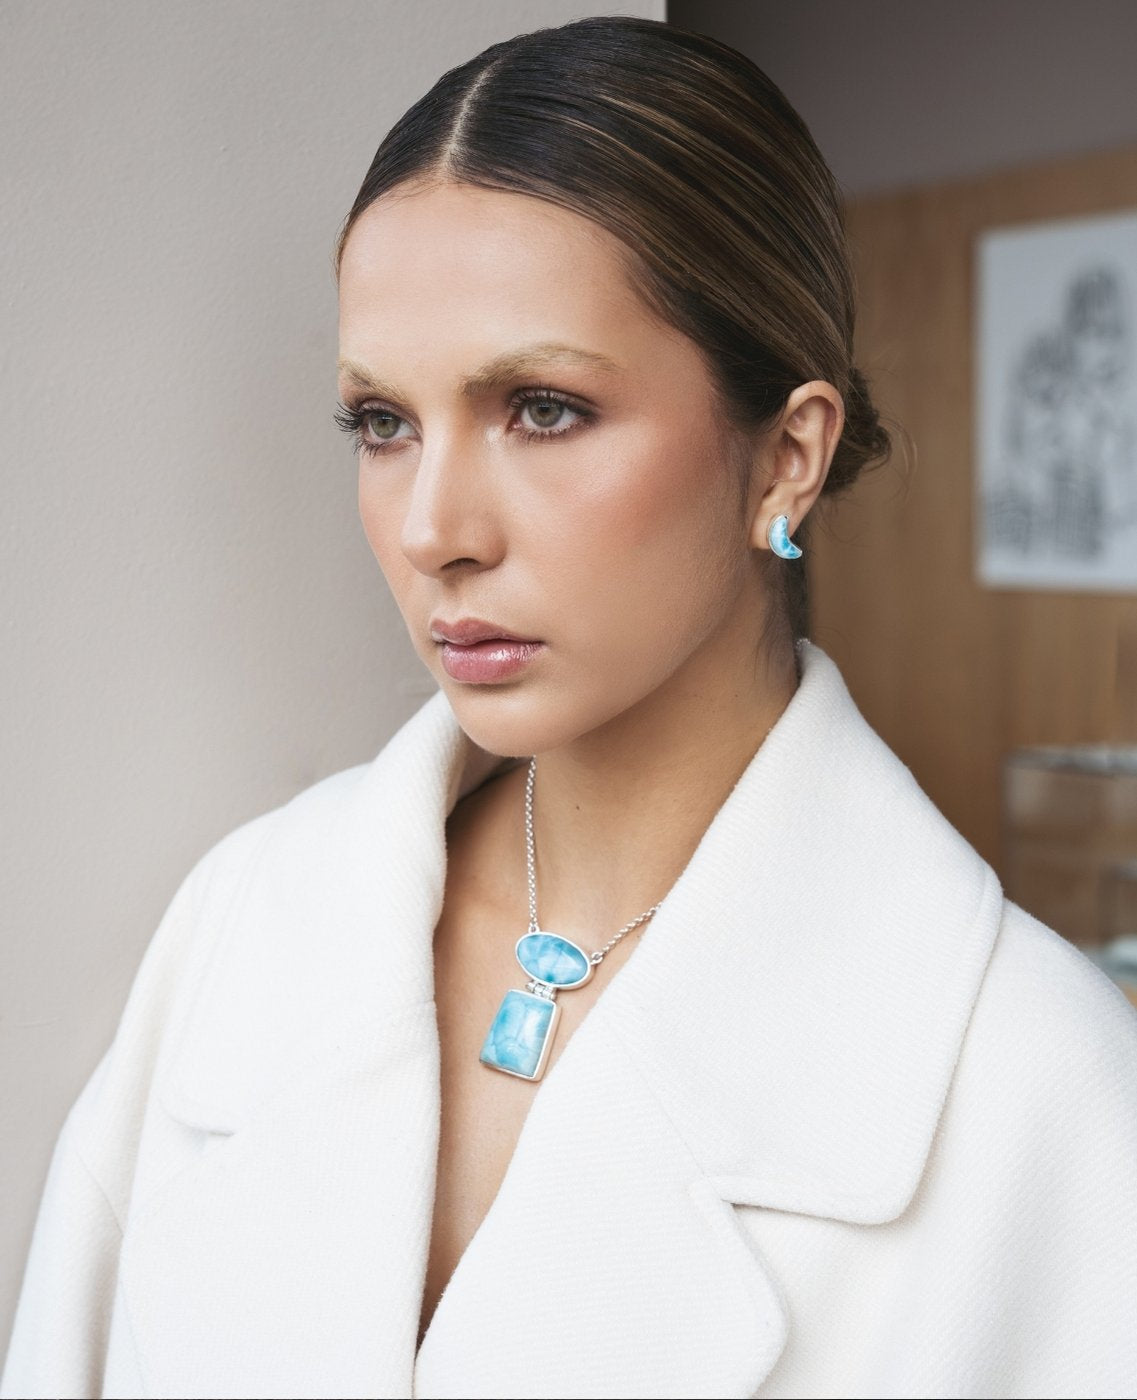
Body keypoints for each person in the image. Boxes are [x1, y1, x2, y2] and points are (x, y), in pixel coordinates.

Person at [4, 15, 1136, 1400]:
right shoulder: (249, 920)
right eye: (381, 422)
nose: (431, 528)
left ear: (786, 455)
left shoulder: (1047, 1094)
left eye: (539, 408)